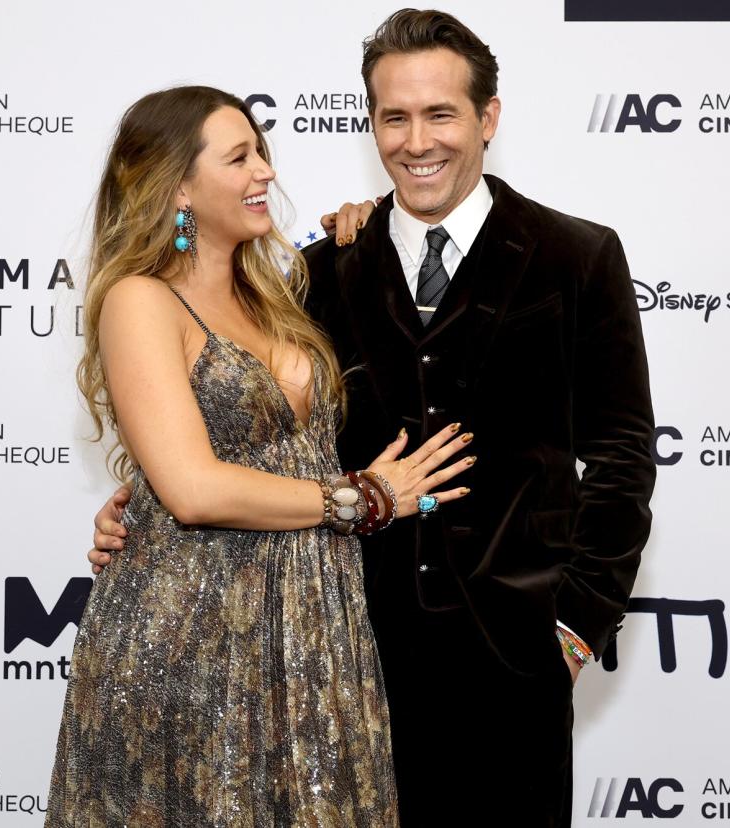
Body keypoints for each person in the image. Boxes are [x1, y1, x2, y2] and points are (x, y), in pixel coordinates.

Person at [89, 10, 656, 826]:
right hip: (336, 666)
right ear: (371, 124)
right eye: (394, 117)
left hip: (513, 671)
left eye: (440, 114)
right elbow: (232, 430)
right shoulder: (315, 273)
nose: (416, 140)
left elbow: (623, 460)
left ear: (487, 119)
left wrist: (571, 632)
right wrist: (138, 507)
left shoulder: (578, 256)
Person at [45, 84, 475, 827]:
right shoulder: (140, 300)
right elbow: (192, 490)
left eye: (263, 153)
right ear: (176, 183)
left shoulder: (281, 288)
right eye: (239, 157)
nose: (265, 173)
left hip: (314, 627)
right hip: (193, 637)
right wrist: (366, 497)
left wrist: (373, 225)